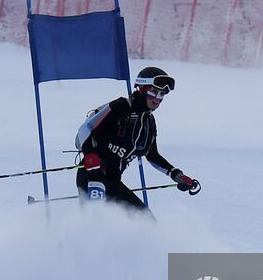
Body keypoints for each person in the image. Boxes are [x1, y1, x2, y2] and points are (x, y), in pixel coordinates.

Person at [75, 66, 200, 215]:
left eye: (161, 95)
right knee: (100, 222)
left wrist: (177, 175)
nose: (157, 99)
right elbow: (85, 130)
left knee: (144, 221)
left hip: (113, 181)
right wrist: (90, 158)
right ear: (141, 89)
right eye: (153, 92)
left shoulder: (149, 122)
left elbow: (152, 155)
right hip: (92, 176)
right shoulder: (121, 107)